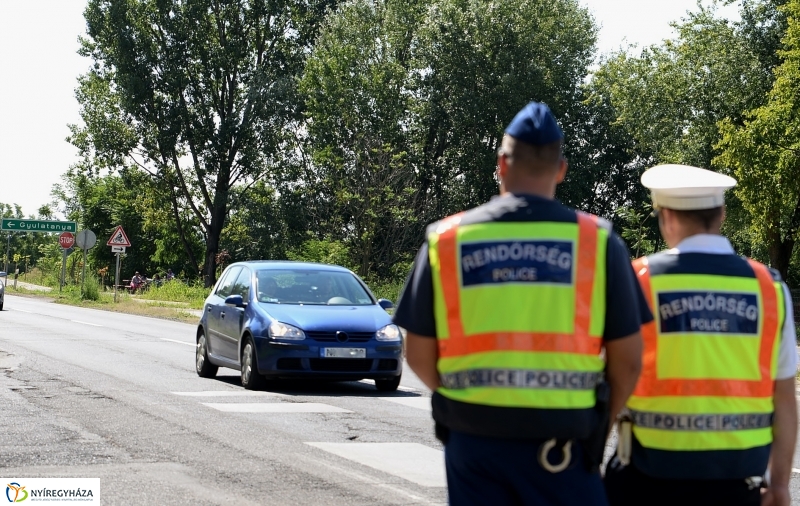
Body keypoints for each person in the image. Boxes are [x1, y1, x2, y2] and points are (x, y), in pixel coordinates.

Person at [393, 102, 650, 506]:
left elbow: (419, 352)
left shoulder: (447, 239)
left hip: (474, 449)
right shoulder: (597, 242)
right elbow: (629, 361)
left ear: (501, 164)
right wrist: (595, 431)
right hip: (562, 451)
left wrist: (467, 404)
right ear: (561, 169)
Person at [604, 165, 798, 506]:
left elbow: (612, 377)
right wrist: (779, 484)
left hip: (647, 480)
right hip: (737, 486)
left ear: (665, 217)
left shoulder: (638, 280)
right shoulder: (770, 288)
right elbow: (784, 396)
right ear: (721, 214)